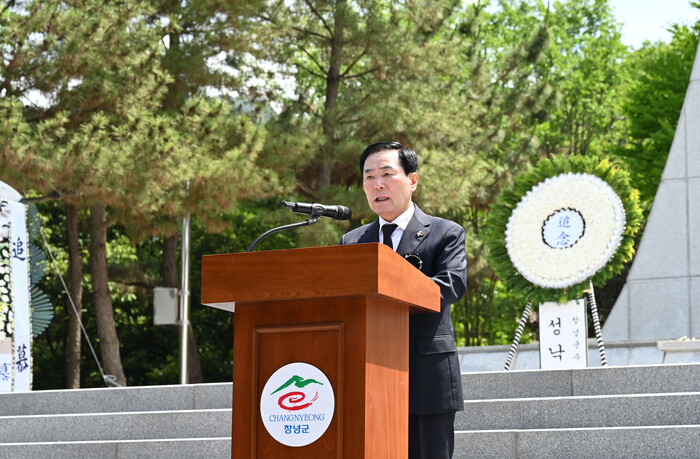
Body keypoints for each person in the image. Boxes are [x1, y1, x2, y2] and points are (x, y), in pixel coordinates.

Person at [339, 141, 466, 459]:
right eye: (369, 177)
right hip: (366, 378)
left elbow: (451, 285)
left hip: (426, 377)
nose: (377, 184)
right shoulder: (352, 242)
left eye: (386, 174)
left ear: (413, 180)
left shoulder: (445, 233)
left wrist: (390, 290)